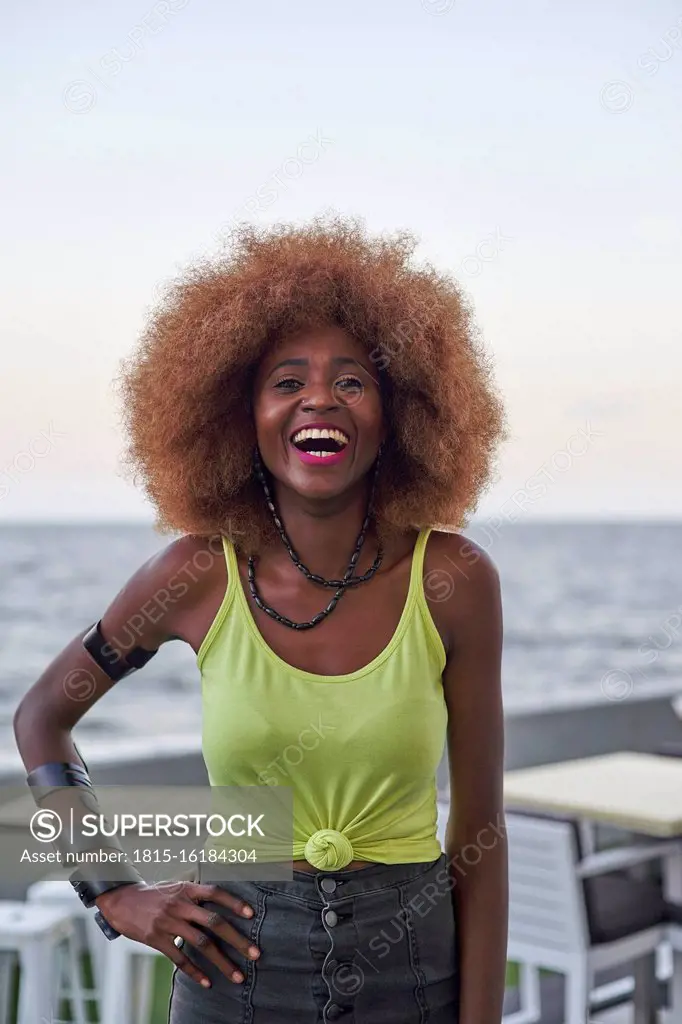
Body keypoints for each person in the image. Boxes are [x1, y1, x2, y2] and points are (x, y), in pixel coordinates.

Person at [14, 216, 508, 1024]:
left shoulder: (454, 580)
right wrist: (113, 895)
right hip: (234, 970)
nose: (320, 397)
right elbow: (41, 716)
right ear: (237, 415)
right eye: (287, 382)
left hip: (413, 973)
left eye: (353, 381)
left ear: (399, 415)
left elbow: (481, 838)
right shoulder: (194, 575)